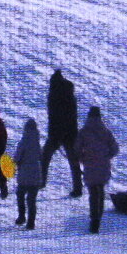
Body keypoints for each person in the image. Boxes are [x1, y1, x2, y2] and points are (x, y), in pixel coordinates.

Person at [74, 106, 119, 234]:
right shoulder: (106, 132)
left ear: (88, 117)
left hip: (90, 165)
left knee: (93, 192)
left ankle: (94, 221)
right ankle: (99, 217)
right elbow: (115, 149)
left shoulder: (83, 132)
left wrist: (82, 158)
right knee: (100, 189)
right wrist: (106, 157)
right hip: (104, 165)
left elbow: (76, 150)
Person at [40, 69, 83, 197]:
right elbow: (71, 116)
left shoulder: (54, 95)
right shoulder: (70, 95)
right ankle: (78, 188)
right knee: (73, 162)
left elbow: (54, 117)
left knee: (45, 157)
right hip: (71, 133)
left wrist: (56, 134)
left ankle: (41, 182)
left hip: (56, 134)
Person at [12, 118, 43, 230]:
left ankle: (21, 217)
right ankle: (31, 223)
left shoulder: (23, 141)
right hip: (35, 175)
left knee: (20, 195)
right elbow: (41, 156)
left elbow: (17, 157)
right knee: (32, 200)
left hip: (24, 174)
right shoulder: (37, 142)